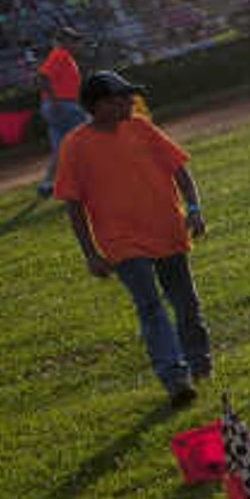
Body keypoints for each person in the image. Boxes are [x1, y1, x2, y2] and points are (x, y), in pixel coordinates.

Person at [53, 70, 212, 406]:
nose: (129, 102)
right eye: (120, 98)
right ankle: (175, 378)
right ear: (98, 105)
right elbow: (73, 204)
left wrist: (194, 208)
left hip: (167, 228)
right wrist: (91, 254)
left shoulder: (141, 127)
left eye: (129, 96)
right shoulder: (76, 146)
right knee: (150, 307)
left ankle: (200, 364)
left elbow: (180, 171)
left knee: (185, 303)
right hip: (122, 242)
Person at [29, 40, 86, 196]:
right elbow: (42, 77)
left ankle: (47, 184)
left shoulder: (62, 57)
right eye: (76, 41)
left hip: (57, 105)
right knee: (93, 133)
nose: (79, 44)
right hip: (63, 105)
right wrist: (54, 100)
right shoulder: (60, 54)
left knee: (61, 150)